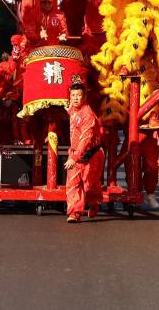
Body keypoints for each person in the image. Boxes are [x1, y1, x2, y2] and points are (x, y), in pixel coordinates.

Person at [64, 78, 104, 223]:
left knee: (89, 185)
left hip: (91, 154)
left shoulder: (87, 114)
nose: (75, 98)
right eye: (73, 95)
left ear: (84, 96)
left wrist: (74, 158)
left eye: (78, 95)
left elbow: (85, 140)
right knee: (73, 184)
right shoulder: (72, 110)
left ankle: (94, 203)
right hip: (75, 153)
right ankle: (74, 213)